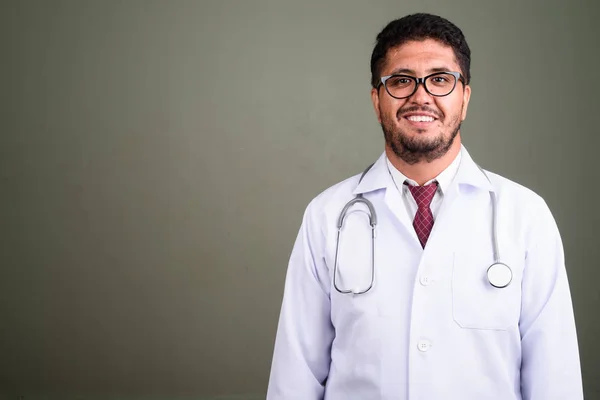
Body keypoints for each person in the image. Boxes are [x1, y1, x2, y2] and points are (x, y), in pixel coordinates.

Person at [266, 13, 583, 400]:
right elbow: (294, 377)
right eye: (400, 81)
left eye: (440, 79)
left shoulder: (526, 216)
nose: (421, 96)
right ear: (376, 100)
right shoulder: (326, 217)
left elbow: (556, 379)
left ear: (464, 98)